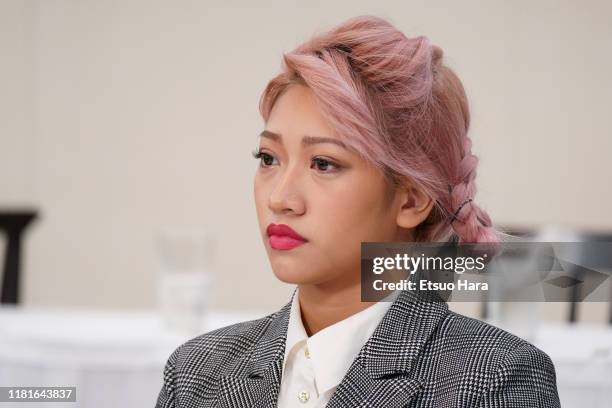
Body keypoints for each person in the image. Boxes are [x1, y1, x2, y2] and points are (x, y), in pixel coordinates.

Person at [155, 15, 560, 408]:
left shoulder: (495, 381)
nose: (280, 197)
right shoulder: (194, 374)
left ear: (412, 198)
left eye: (323, 164)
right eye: (268, 158)